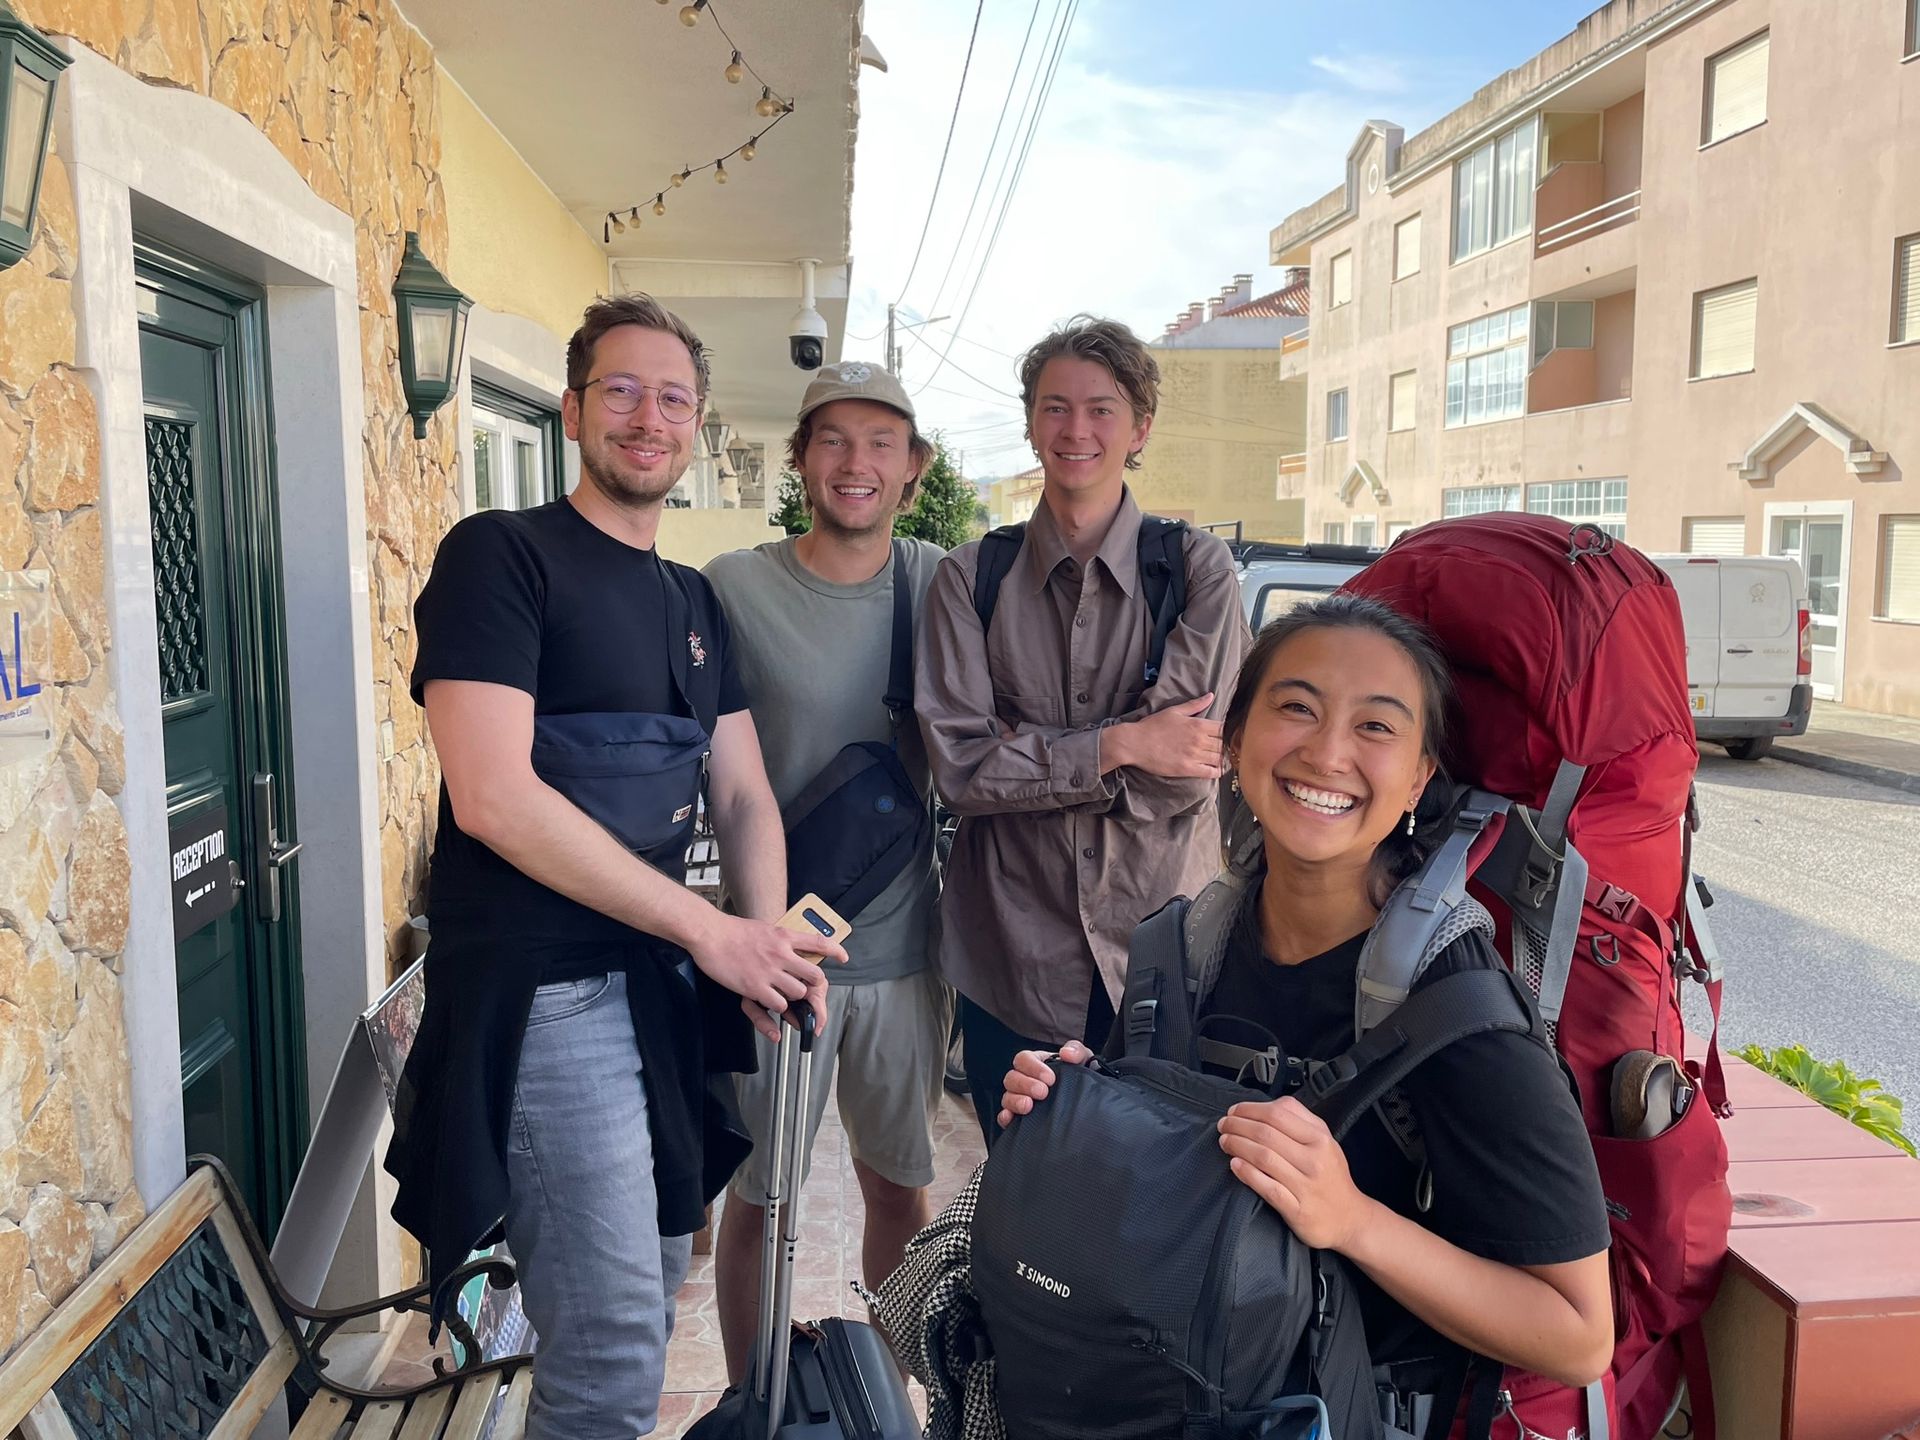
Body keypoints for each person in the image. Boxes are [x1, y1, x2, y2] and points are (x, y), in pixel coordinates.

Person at [386, 294, 841, 1440]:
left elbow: (739, 791)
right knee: (614, 1352)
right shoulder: (501, 558)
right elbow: (494, 798)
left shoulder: (690, 599)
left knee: (649, 1278)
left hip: (649, 994)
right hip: (543, 996)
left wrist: (767, 933)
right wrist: (709, 932)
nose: (649, 417)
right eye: (623, 392)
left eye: (674, 398)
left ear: (695, 426)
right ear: (576, 408)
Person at [999, 595, 1614, 1400]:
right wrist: (1074, 1112)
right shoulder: (1181, 951)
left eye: (1376, 727)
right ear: (1237, 739)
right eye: (1296, 708)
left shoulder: (1458, 1016)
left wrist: (1353, 1221)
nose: (1327, 753)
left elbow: (1579, 1335)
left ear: (1421, 777)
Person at [916, 315, 1249, 1139]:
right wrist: (1122, 742)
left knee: (1152, 1206)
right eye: (1056, 407)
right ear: (1030, 422)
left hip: (1162, 952)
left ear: (1139, 427)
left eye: (1101, 409)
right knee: (1021, 1198)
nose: (1077, 430)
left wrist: (1029, 762)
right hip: (1012, 955)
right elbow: (959, 769)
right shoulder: (972, 578)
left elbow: (1184, 771)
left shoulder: (1198, 570)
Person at [704, 363, 952, 1384]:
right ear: (802, 459)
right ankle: (753, 1401)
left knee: (899, 1188)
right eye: (835, 440)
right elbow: (705, 767)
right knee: (761, 1197)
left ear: (913, 467)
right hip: (774, 951)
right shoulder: (733, 585)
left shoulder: (944, 581)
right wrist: (752, 941)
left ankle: (884, 1397)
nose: (857, 463)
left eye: (881, 443)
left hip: (904, 956)